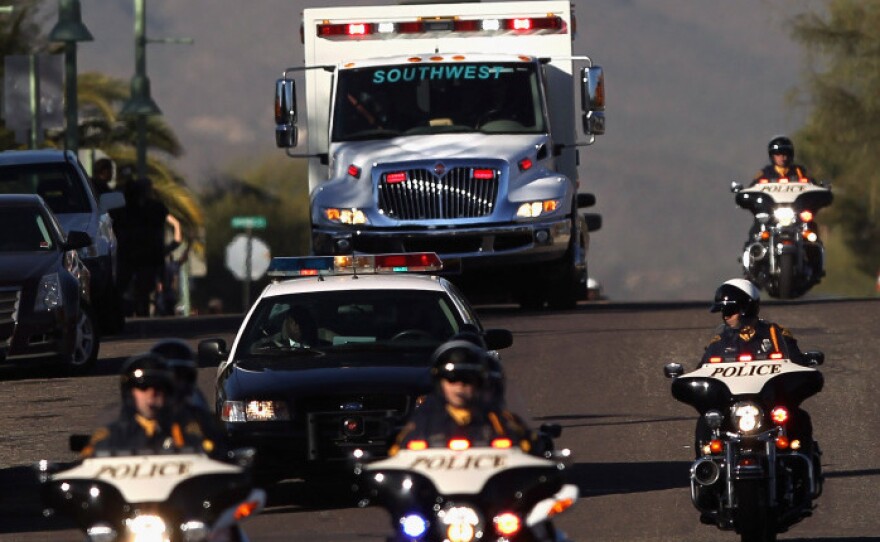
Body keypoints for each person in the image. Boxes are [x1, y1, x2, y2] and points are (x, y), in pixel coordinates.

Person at [696, 279, 816, 460]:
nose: (725, 316)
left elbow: (796, 362)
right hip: (733, 407)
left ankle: (802, 467)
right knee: (706, 422)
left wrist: (804, 367)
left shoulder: (777, 334)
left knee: (799, 418)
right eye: (723, 312)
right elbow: (702, 368)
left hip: (769, 405)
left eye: (729, 311)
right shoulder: (719, 339)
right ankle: (707, 470)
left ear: (745, 308)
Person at [389, 339, 538, 456]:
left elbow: (533, 450)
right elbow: (396, 457)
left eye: (467, 378)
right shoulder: (419, 424)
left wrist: (540, 443)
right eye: (452, 377)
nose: (460, 385)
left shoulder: (503, 421)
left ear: (480, 383)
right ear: (440, 383)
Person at [80, 353, 218, 458]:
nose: (151, 393)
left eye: (159, 386)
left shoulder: (189, 428)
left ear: (168, 392)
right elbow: (85, 466)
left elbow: (215, 456)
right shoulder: (110, 434)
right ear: (130, 393)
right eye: (143, 386)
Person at [114, 177, 170, 317]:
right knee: (133, 288)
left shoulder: (150, 208)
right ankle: (133, 310)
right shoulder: (132, 209)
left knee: (142, 289)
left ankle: (139, 311)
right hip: (136, 255)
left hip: (142, 256)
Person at [253, 305, 319, 349]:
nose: (283, 326)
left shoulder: (274, 351)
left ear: (295, 326)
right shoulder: (273, 348)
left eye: (287, 321)